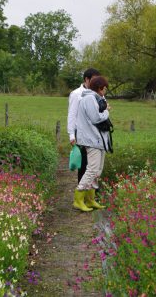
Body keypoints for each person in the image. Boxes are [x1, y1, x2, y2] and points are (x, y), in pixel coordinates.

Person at [73, 76, 111, 212]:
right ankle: (78, 199)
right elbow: (96, 118)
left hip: (98, 139)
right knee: (92, 169)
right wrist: (106, 111)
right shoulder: (89, 98)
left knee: (97, 171)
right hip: (92, 139)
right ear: (99, 88)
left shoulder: (95, 98)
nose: (105, 90)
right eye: (104, 87)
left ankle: (90, 199)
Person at [67, 68, 100, 184]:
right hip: (81, 133)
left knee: (94, 164)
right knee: (84, 164)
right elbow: (72, 115)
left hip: (94, 132)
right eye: (94, 80)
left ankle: (92, 193)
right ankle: (81, 194)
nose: (97, 83)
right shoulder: (76, 94)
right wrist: (71, 134)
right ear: (87, 79)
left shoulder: (97, 94)